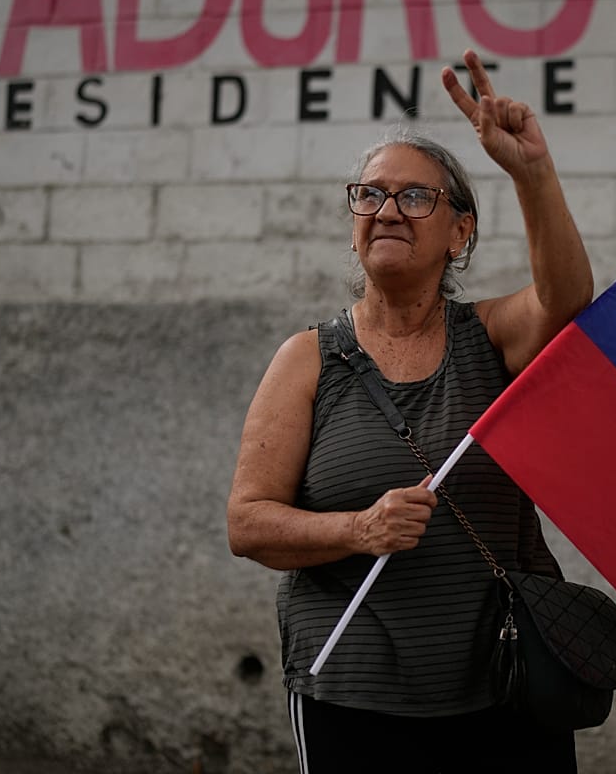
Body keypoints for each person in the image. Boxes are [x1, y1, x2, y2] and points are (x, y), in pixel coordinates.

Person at [226, 50, 594, 773]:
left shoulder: (489, 336)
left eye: (415, 197)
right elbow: (248, 523)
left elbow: (567, 297)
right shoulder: (307, 359)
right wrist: (359, 529)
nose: (388, 209)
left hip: (504, 688)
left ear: (460, 232)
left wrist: (531, 171)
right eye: (370, 194)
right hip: (353, 694)